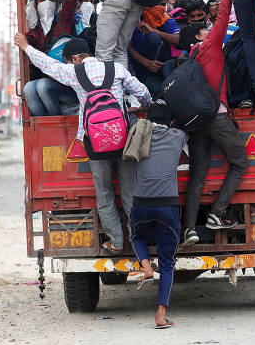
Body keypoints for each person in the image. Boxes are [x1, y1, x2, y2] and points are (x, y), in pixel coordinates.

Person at [14, 33, 152, 255]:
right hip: (123, 139)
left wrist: (26, 47)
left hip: (95, 143)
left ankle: (116, 242)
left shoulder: (73, 73)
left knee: (104, 193)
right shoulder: (116, 69)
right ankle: (139, 244)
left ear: (75, 59)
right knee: (130, 194)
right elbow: (142, 92)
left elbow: (47, 65)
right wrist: (143, 106)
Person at [180, 0, 248, 246]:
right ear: (199, 35)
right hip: (217, 117)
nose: (210, 29)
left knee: (197, 174)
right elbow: (222, 13)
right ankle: (217, 214)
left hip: (196, 123)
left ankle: (189, 228)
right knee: (240, 161)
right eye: (205, 29)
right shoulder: (210, 46)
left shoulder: (190, 58)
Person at [129, 101, 186, 329]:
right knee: (168, 263)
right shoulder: (178, 136)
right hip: (167, 207)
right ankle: (160, 315)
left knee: (136, 236)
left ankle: (146, 267)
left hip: (141, 205)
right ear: (170, 122)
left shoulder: (136, 134)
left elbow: (132, 120)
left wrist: (134, 112)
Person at [22, 0, 81, 116]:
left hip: (69, 86)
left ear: (56, 4)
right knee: (28, 88)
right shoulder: (37, 31)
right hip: (49, 84)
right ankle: (43, 128)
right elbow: (26, 36)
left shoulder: (63, 22)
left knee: (43, 85)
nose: (47, 3)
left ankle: (57, 123)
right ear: (36, 5)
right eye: (43, 0)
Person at [128, 5, 180, 95]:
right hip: (138, 69)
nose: (161, 8)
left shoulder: (167, 20)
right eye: (157, 4)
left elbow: (179, 39)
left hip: (159, 70)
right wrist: (146, 62)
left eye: (163, 4)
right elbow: (126, 47)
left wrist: (154, 31)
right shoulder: (134, 22)